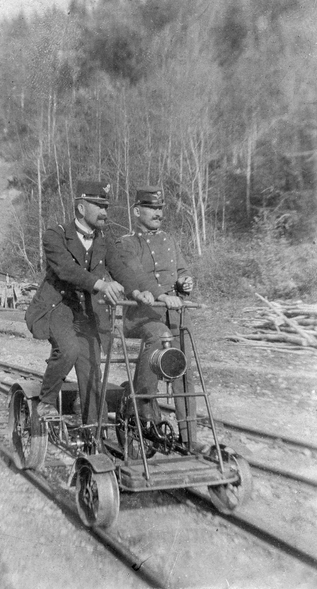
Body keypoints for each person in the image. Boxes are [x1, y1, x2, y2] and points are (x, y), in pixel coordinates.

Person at [25, 180, 152, 426]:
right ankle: (46, 401)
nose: (105, 212)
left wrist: (137, 292)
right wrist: (101, 285)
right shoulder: (55, 235)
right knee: (69, 349)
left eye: (106, 206)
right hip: (57, 307)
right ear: (81, 208)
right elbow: (67, 271)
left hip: (86, 313)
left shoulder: (103, 240)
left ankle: (95, 431)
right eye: (98, 206)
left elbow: (120, 270)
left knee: (93, 367)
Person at [116, 186, 197, 444]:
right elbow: (136, 278)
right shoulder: (127, 243)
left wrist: (186, 282)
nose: (157, 213)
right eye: (151, 208)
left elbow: (182, 270)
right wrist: (162, 295)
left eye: (160, 208)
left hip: (172, 314)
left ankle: (189, 437)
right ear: (137, 211)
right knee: (159, 336)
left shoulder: (169, 240)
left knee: (182, 369)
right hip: (143, 316)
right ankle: (142, 410)